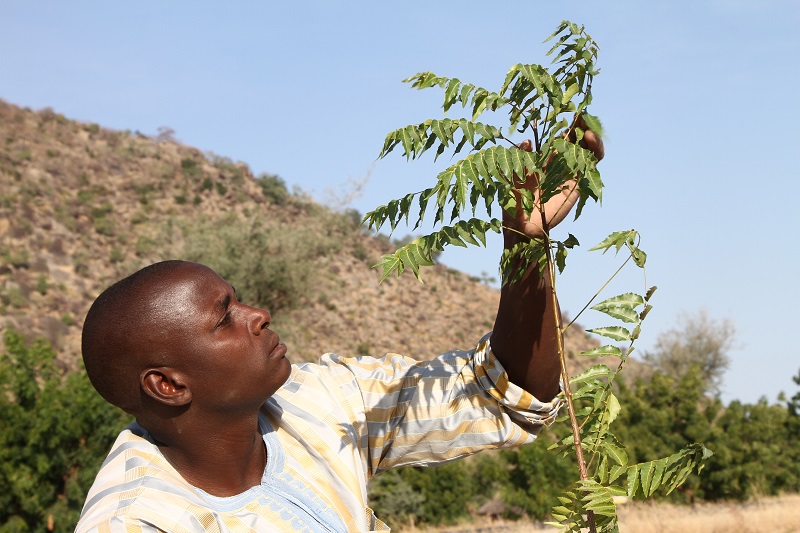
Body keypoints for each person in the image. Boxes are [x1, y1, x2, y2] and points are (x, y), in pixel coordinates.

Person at [75, 129, 603, 532]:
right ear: (168, 385)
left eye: (238, 300)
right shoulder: (138, 520)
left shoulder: (318, 401)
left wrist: (525, 242)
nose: (257, 315)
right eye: (224, 318)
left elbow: (505, 391)